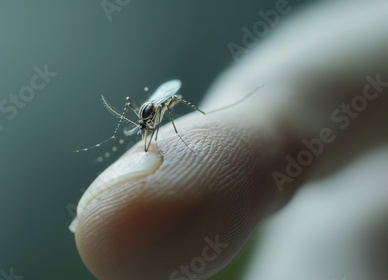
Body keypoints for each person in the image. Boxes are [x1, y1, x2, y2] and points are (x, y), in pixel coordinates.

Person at [70, 1, 388, 279]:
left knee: (176, 125)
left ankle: (196, 124)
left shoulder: (160, 106)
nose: (143, 127)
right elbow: (147, 119)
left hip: (172, 103)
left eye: (144, 123)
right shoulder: (144, 114)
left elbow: (164, 103)